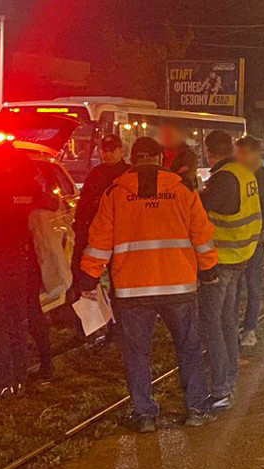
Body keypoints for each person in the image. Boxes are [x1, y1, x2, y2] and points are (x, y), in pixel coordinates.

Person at [74, 136, 217, 432]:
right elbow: (202, 235)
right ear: (159, 159)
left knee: (137, 353)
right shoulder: (182, 189)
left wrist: (88, 277)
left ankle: (145, 415)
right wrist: (208, 270)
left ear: (133, 158)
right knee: (189, 348)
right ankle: (196, 410)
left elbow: (99, 241)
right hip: (178, 287)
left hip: (132, 290)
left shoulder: (115, 193)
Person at [0, 145, 58, 396]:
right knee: (21, 317)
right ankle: (22, 374)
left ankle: (4, 380)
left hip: (0, 264)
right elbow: (50, 203)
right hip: (24, 262)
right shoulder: (29, 187)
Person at [198, 130, 262, 411]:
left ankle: (220, 389)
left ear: (209, 151)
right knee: (227, 323)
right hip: (240, 259)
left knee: (213, 326)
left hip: (221, 261)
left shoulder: (222, 179)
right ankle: (230, 378)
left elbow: (199, 211)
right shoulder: (244, 173)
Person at [233, 136, 264, 346]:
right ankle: (232, 326)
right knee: (233, 287)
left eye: (242, 153)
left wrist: (255, 228)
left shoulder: (263, 180)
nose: (238, 158)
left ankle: (250, 328)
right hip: (234, 243)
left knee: (253, 285)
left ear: (253, 154)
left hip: (255, 244)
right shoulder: (235, 176)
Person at [71, 134, 130, 273]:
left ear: (121, 151)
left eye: (111, 150)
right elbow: (84, 203)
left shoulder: (129, 173)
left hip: (121, 229)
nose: (107, 154)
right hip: (96, 230)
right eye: (104, 150)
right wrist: (79, 226)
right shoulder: (95, 173)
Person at [158, 123, 200, 190]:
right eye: (165, 134)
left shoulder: (188, 155)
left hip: (180, 193)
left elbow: (186, 178)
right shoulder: (158, 153)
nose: (166, 137)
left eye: (170, 135)